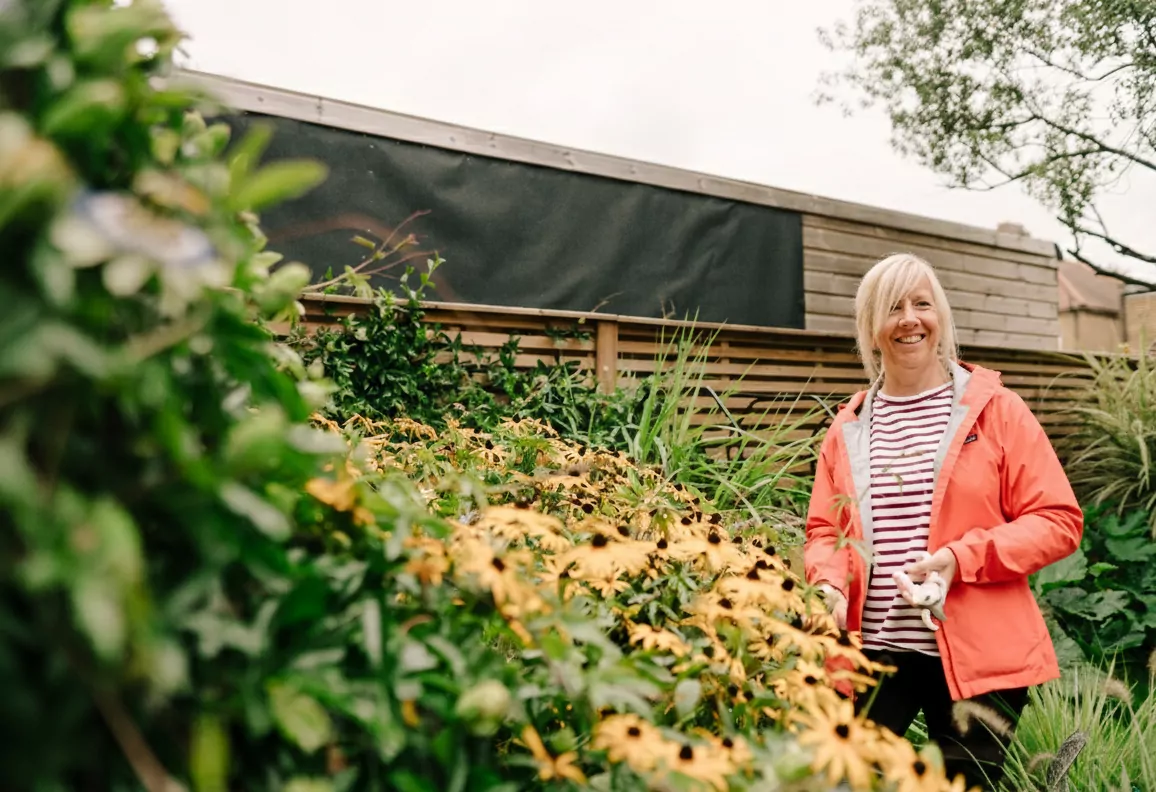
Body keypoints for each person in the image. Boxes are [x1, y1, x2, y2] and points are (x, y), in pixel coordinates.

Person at [804, 253, 1083, 790]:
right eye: (892, 308)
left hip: (978, 655)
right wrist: (829, 584)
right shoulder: (849, 427)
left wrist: (960, 559)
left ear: (941, 316)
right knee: (839, 781)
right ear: (872, 328)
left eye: (921, 304)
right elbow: (825, 532)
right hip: (875, 650)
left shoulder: (998, 410)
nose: (909, 318)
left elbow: (1058, 520)